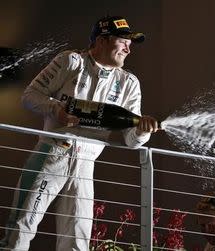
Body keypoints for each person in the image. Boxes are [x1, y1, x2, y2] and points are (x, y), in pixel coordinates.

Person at [0, 15, 159, 250]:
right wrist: (57, 110)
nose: (128, 48)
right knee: (21, 228)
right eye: (123, 40)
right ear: (102, 40)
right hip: (51, 155)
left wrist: (142, 131)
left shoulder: (129, 83)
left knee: (77, 241)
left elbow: (131, 140)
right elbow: (29, 96)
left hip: (86, 165)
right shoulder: (71, 61)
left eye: (130, 42)